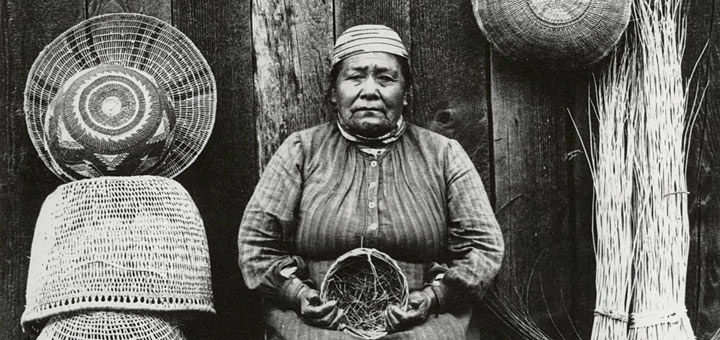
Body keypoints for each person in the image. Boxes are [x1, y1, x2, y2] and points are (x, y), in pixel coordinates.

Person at [238, 24, 504, 340]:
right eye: (355, 77)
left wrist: (433, 298)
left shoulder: (444, 155)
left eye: (385, 78)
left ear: (406, 95)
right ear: (334, 94)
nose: (369, 90)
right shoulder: (300, 152)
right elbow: (256, 245)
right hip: (317, 326)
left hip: (423, 324)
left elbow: (483, 248)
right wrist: (297, 295)